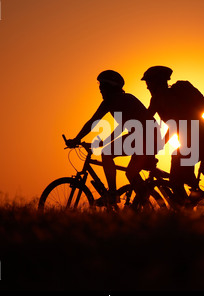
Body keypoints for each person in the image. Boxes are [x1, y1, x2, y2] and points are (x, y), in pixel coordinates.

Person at [65, 70, 159, 205]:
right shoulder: (115, 101)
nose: (100, 91)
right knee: (131, 173)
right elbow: (110, 125)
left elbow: (95, 123)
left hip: (144, 137)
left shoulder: (119, 100)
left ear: (110, 87)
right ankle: (142, 203)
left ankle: (112, 194)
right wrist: (99, 141)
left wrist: (77, 140)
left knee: (107, 153)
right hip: (145, 137)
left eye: (102, 87)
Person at [141, 66, 204, 201]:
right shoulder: (160, 99)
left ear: (158, 82)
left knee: (176, 178)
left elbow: (171, 125)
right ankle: (190, 199)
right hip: (196, 141)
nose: (147, 87)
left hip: (201, 139)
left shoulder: (165, 99)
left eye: (149, 83)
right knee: (177, 172)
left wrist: (155, 145)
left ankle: (185, 209)